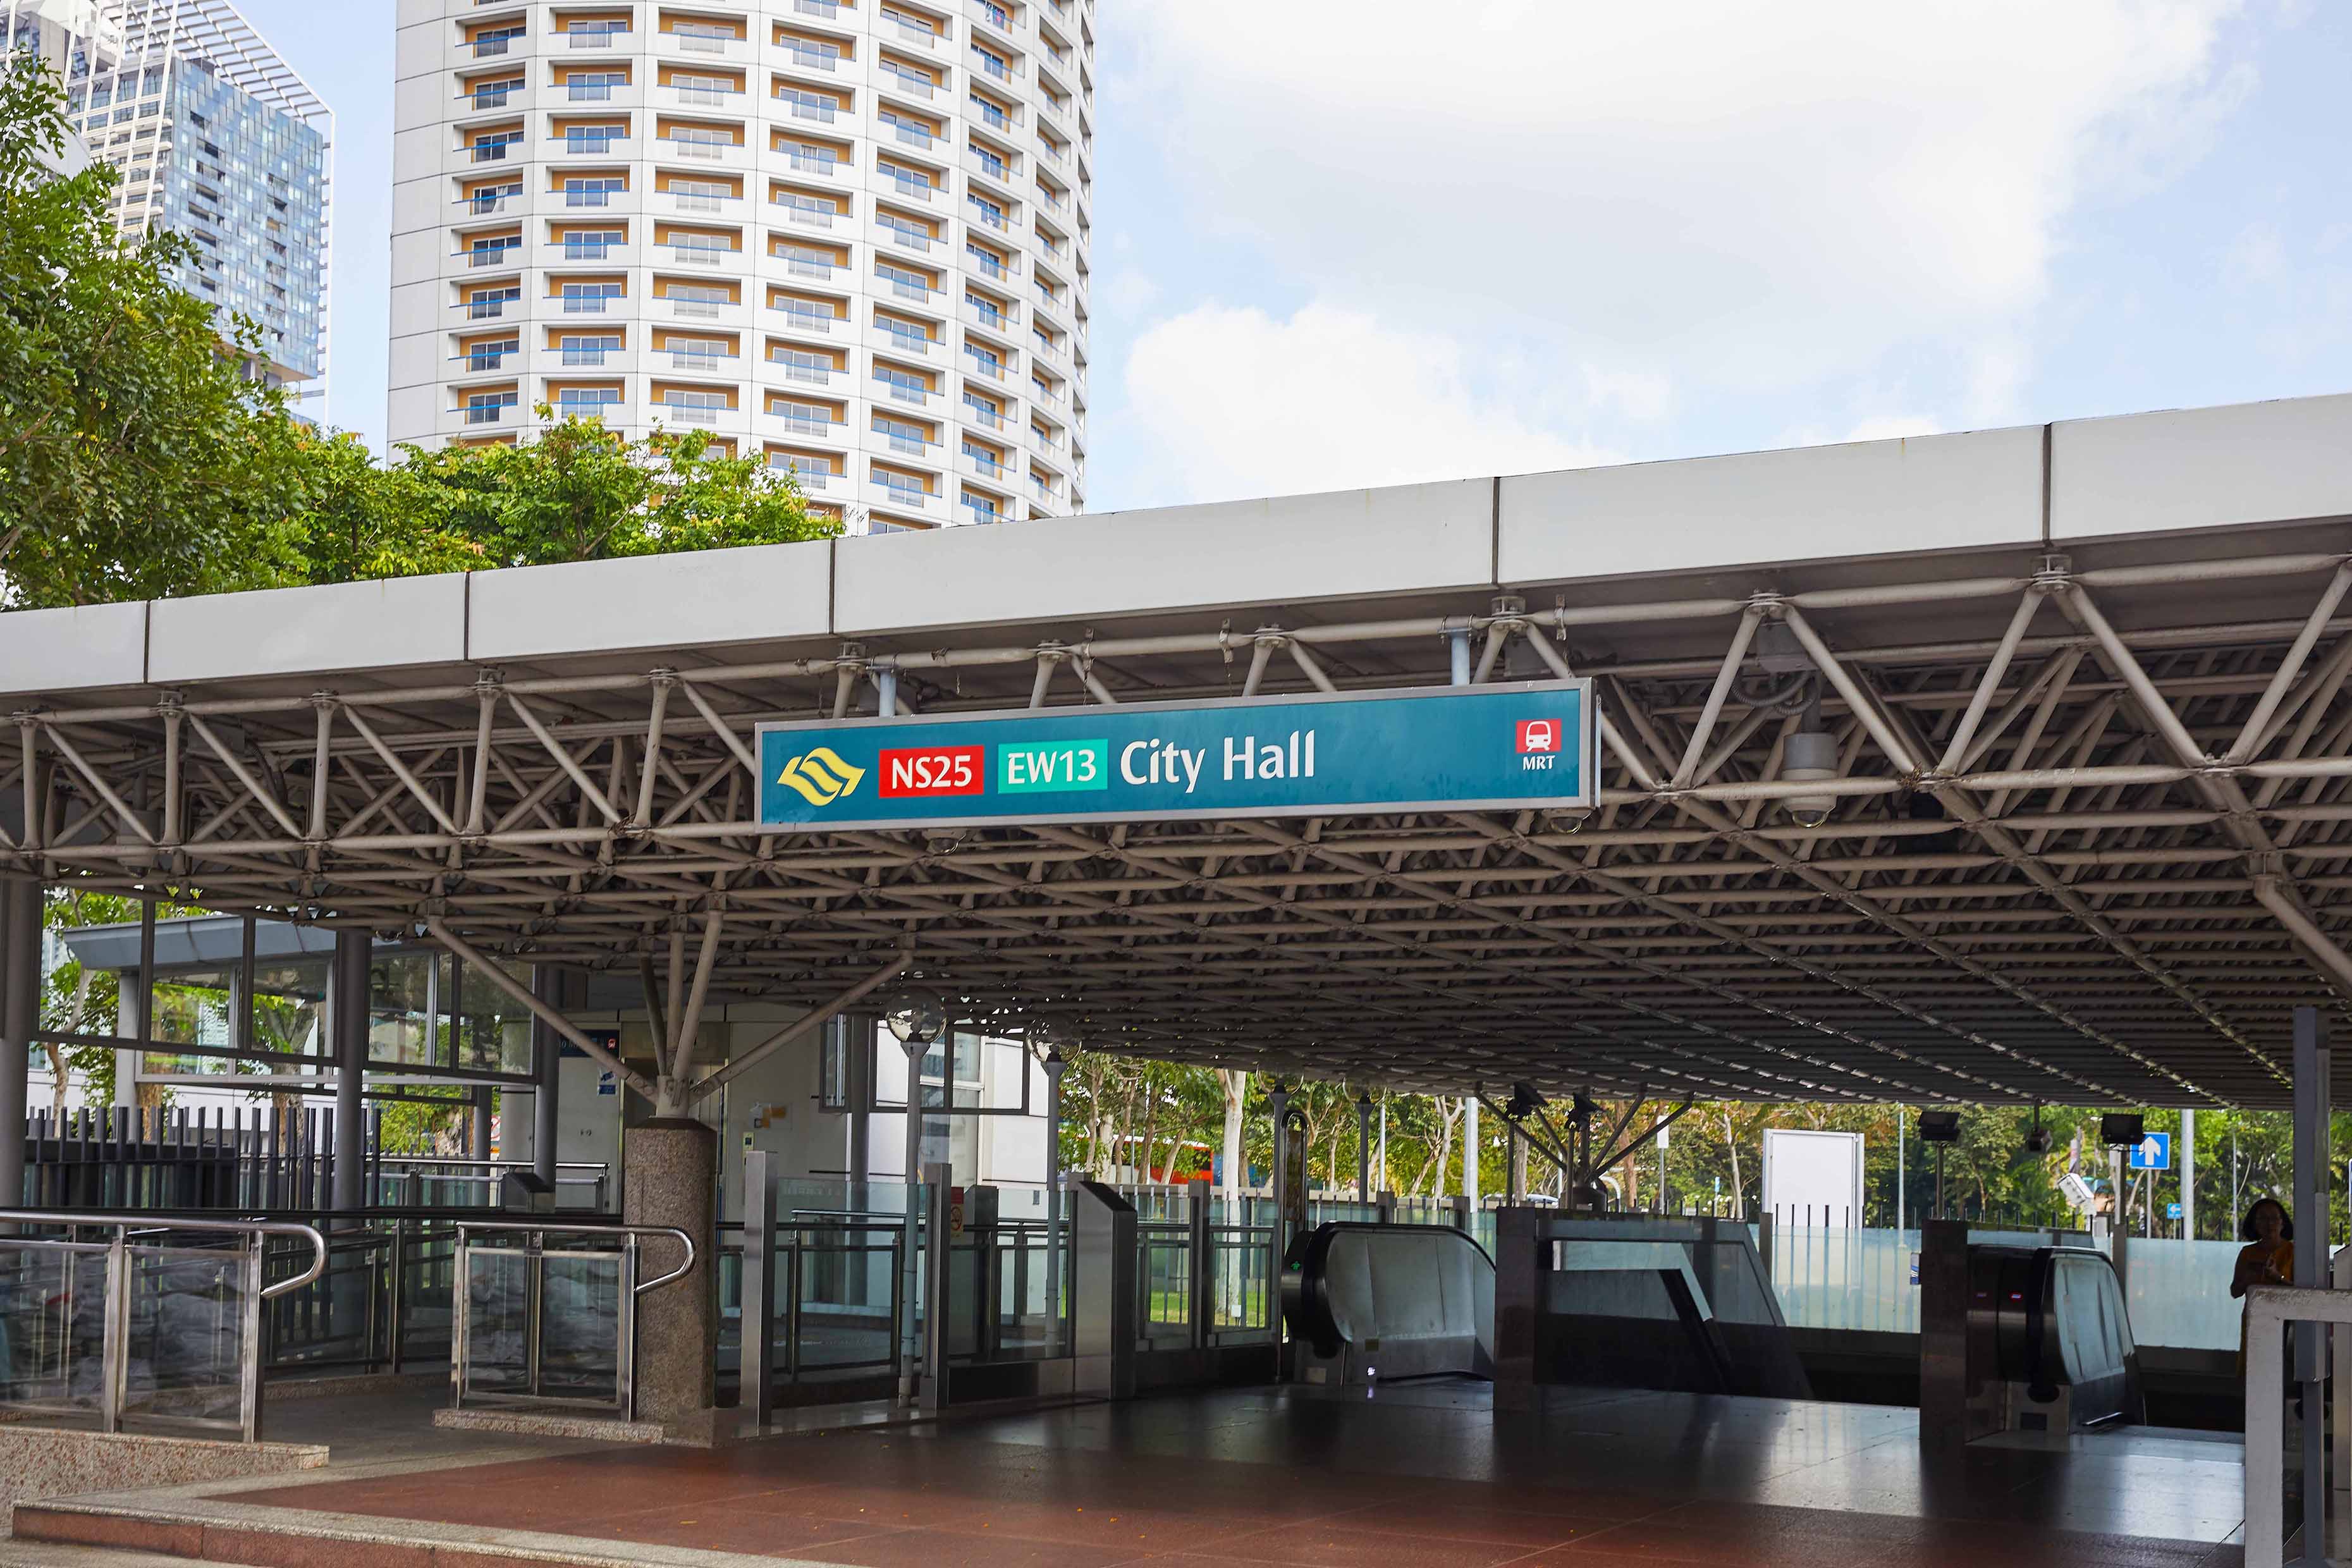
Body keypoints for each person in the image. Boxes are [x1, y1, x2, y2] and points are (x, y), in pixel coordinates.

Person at [2232, 1198, 2296, 1374]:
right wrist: (2248, 1280)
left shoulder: (2293, 1252)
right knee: (2254, 1371)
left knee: (2279, 1371)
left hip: (2285, 1321)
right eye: (2263, 1219)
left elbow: (2302, 1293)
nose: (2269, 1224)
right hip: (2254, 1318)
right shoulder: (2248, 1253)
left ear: (2283, 1223)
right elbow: (2235, 1291)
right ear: (2255, 1224)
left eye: (2274, 1218)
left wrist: (2278, 1277)